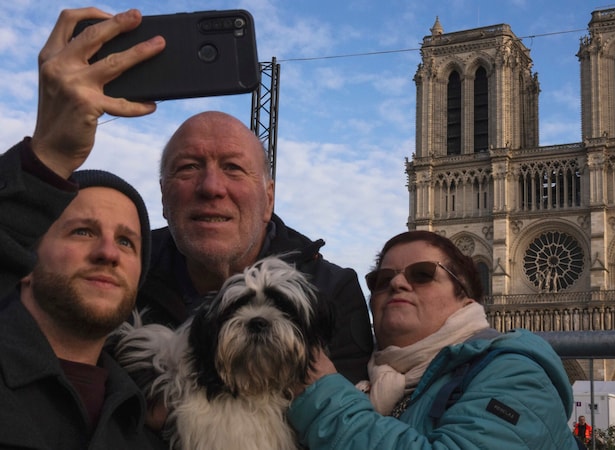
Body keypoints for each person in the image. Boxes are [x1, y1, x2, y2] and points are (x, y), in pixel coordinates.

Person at [0, 8, 170, 448]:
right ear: (24, 260)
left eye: (128, 243)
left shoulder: (148, 428)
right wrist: (48, 158)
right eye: (82, 232)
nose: (108, 253)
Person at [135, 110, 374, 383]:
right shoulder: (124, 273)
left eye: (233, 168)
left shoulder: (332, 289)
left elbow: (342, 419)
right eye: (189, 166)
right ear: (164, 196)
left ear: (268, 200)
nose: (211, 187)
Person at [288, 230, 578, 449]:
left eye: (422, 274)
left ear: (465, 297)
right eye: (381, 279)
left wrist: (324, 398)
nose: (397, 283)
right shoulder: (357, 374)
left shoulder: (516, 375)